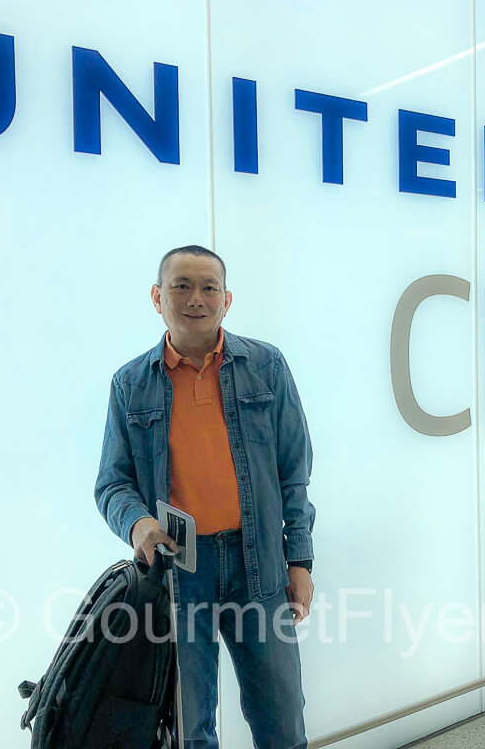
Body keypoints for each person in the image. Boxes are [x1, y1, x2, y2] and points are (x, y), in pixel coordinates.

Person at [94, 244, 315, 749]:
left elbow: (294, 473)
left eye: (208, 287)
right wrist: (137, 524)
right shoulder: (131, 384)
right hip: (177, 573)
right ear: (157, 296)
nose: (196, 298)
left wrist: (299, 559)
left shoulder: (266, 366)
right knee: (189, 727)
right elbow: (112, 482)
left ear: (227, 299)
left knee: (281, 719)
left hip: (258, 562)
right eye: (181, 285)